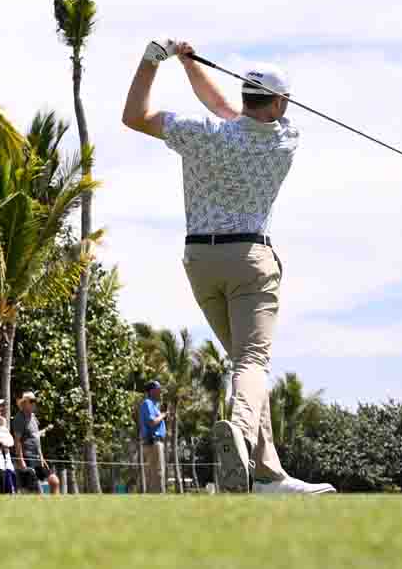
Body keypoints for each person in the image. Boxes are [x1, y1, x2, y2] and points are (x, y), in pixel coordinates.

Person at [125, 41, 336, 495]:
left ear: (246, 99)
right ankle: (239, 432)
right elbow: (230, 109)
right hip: (250, 262)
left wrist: (158, 61)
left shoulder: (203, 132)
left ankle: (269, 475)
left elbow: (135, 116)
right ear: (279, 103)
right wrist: (190, 66)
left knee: (245, 369)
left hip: (200, 261)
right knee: (252, 362)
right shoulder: (286, 139)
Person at [11, 391, 57, 495]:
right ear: (24, 403)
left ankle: (55, 503)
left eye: (35, 401)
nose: (34, 403)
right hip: (26, 458)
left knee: (54, 481)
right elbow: (17, 441)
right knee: (33, 490)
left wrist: (41, 457)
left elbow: (36, 438)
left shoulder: (33, 417)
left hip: (37, 458)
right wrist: (21, 460)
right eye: (31, 401)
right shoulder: (19, 418)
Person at [138, 380, 168, 494]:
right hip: (153, 442)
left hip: (155, 442)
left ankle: (153, 497)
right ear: (151, 391)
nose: (160, 393)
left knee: (154, 472)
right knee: (157, 471)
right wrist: (163, 415)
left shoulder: (154, 405)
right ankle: (158, 497)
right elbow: (152, 422)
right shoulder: (147, 403)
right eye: (158, 390)